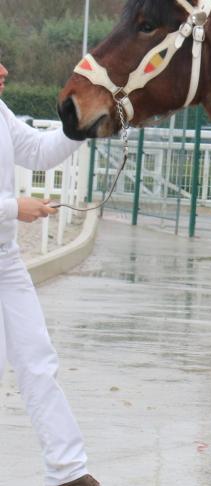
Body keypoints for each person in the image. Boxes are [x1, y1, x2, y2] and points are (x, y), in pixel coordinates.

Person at [0, 58, 100, 486]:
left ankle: (68, 471)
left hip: (4, 259)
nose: (4, 69)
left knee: (38, 360)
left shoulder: (0, 112)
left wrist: (80, 126)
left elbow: (38, 152)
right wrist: (12, 208)